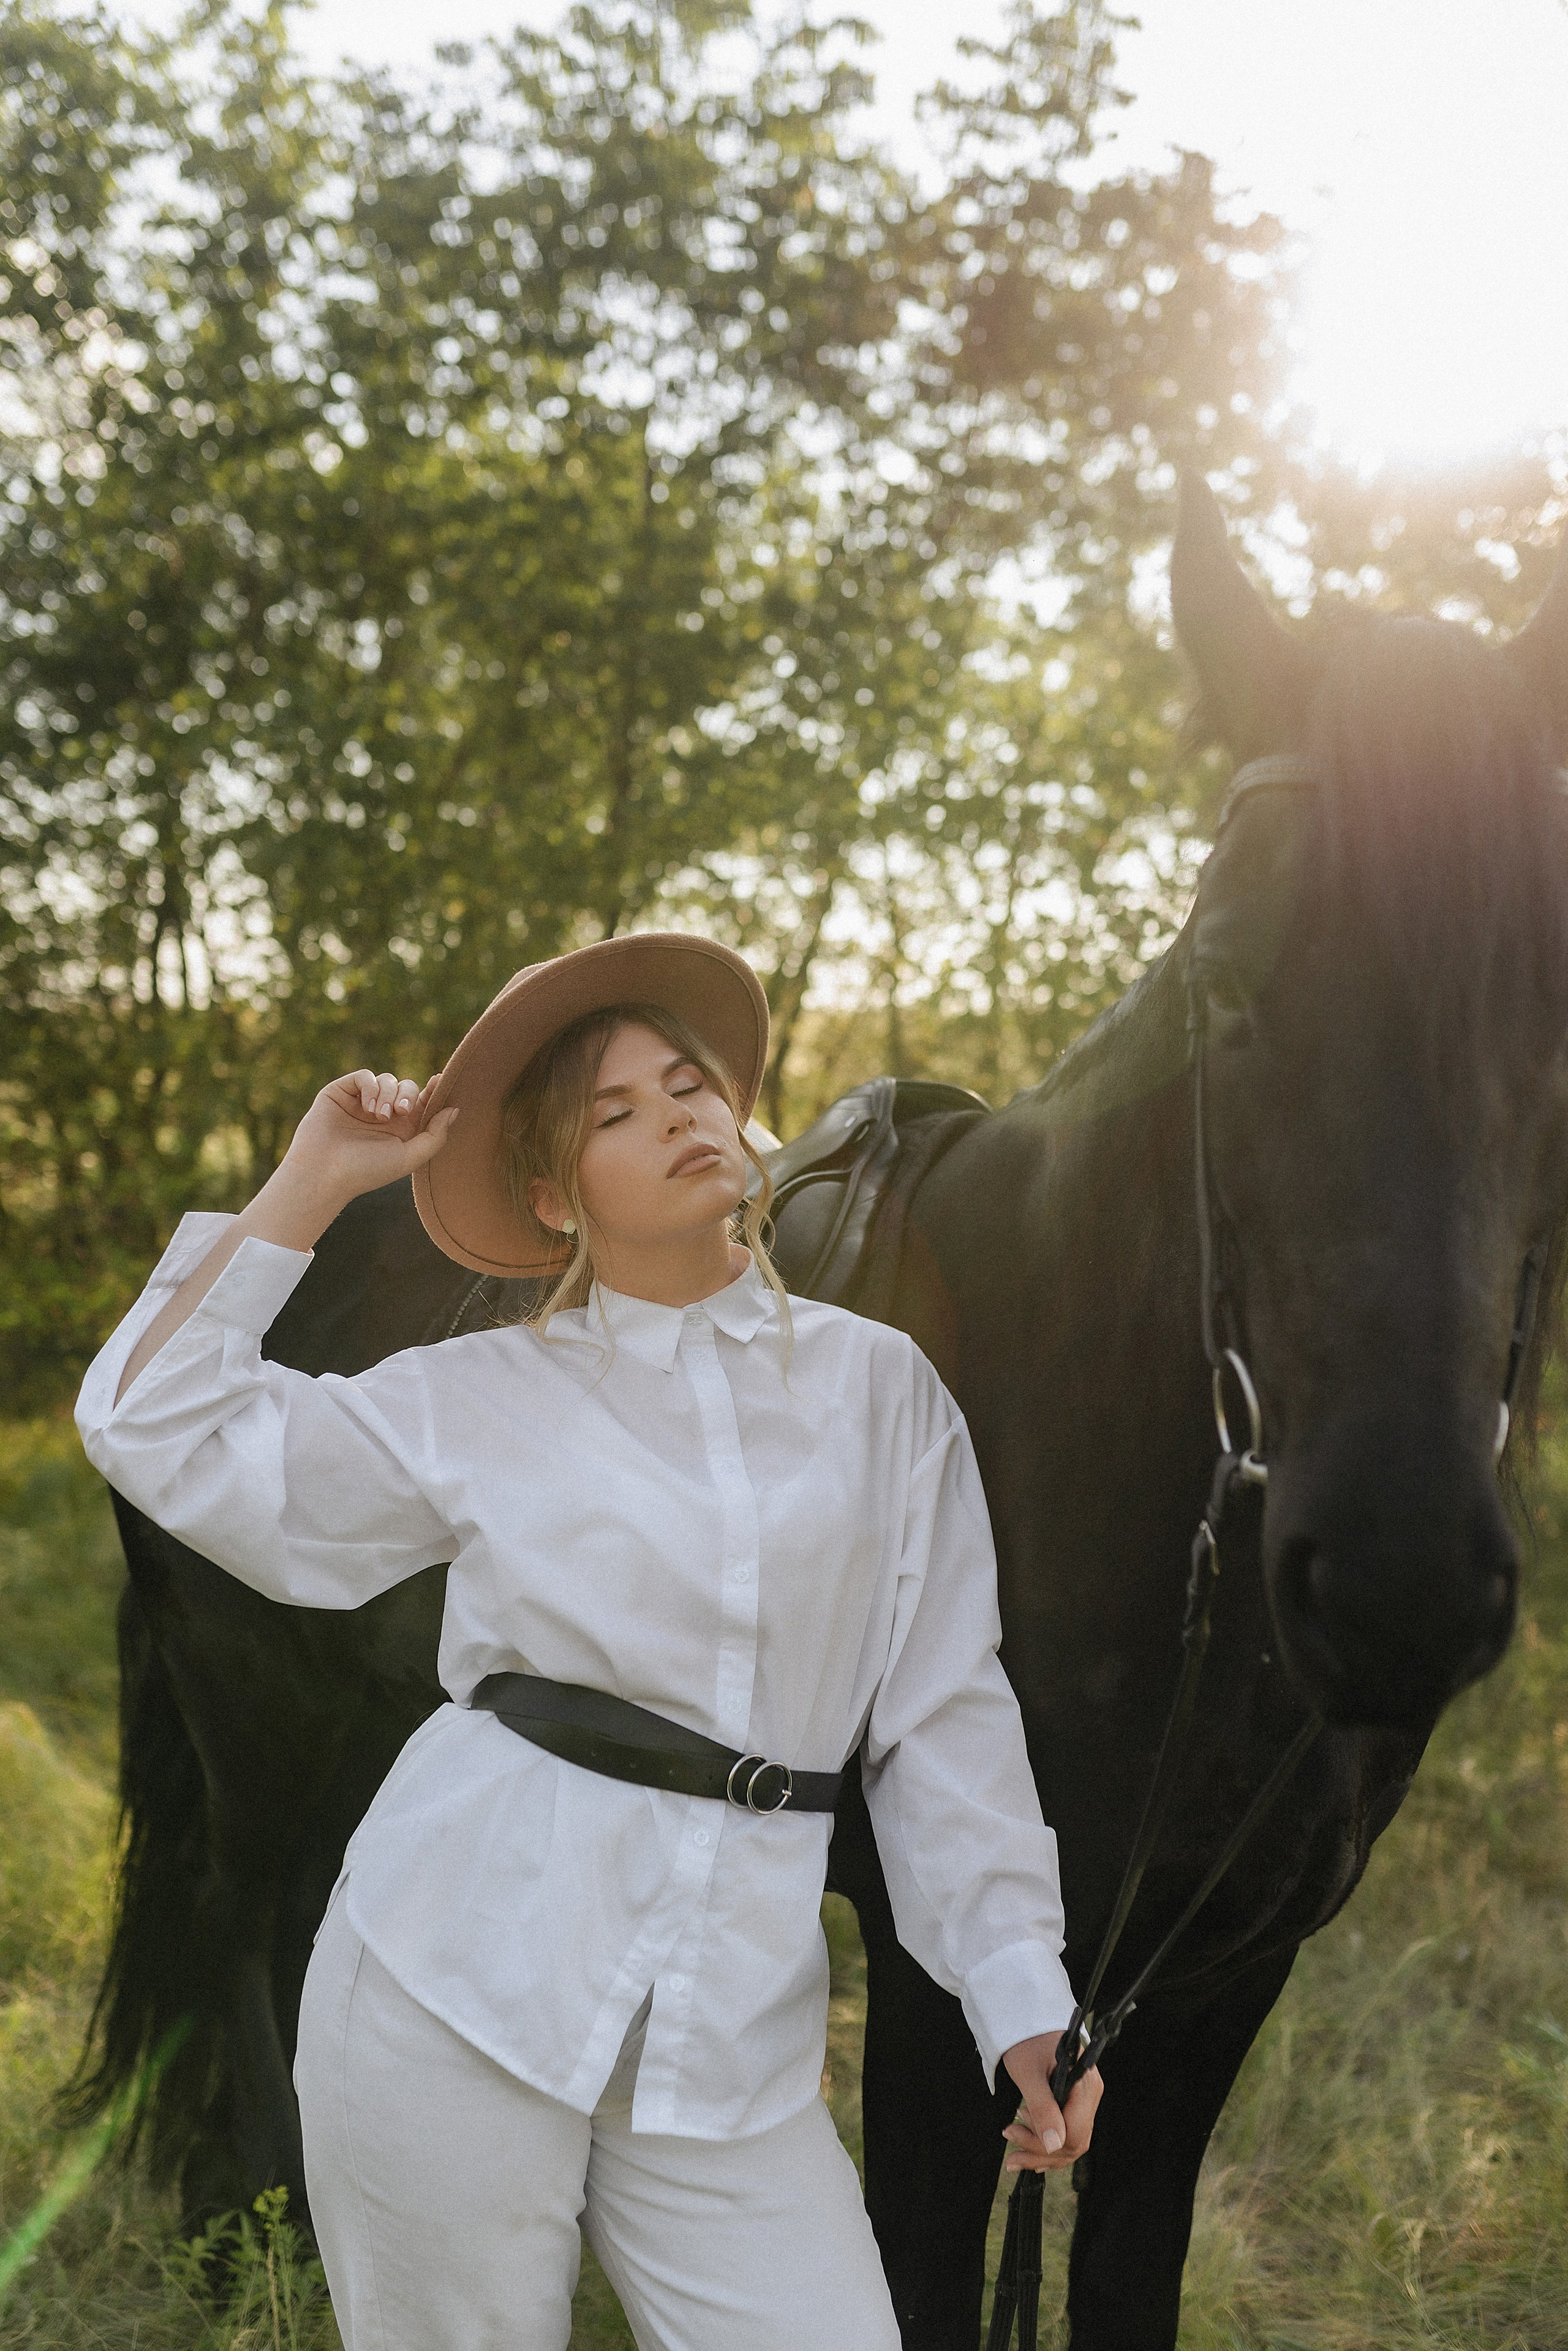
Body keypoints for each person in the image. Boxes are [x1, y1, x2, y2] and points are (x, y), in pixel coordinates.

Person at [77, 931, 1101, 2351]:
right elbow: (157, 1429)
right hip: (451, 1990)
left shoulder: (882, 1391)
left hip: (730, 2046)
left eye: (688, 1085)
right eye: (615, 1111)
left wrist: (1018, 1991)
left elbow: (942, 1717)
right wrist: (308, 1181)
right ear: (555, 1196)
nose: (677, 1116)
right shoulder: (485, 1392)